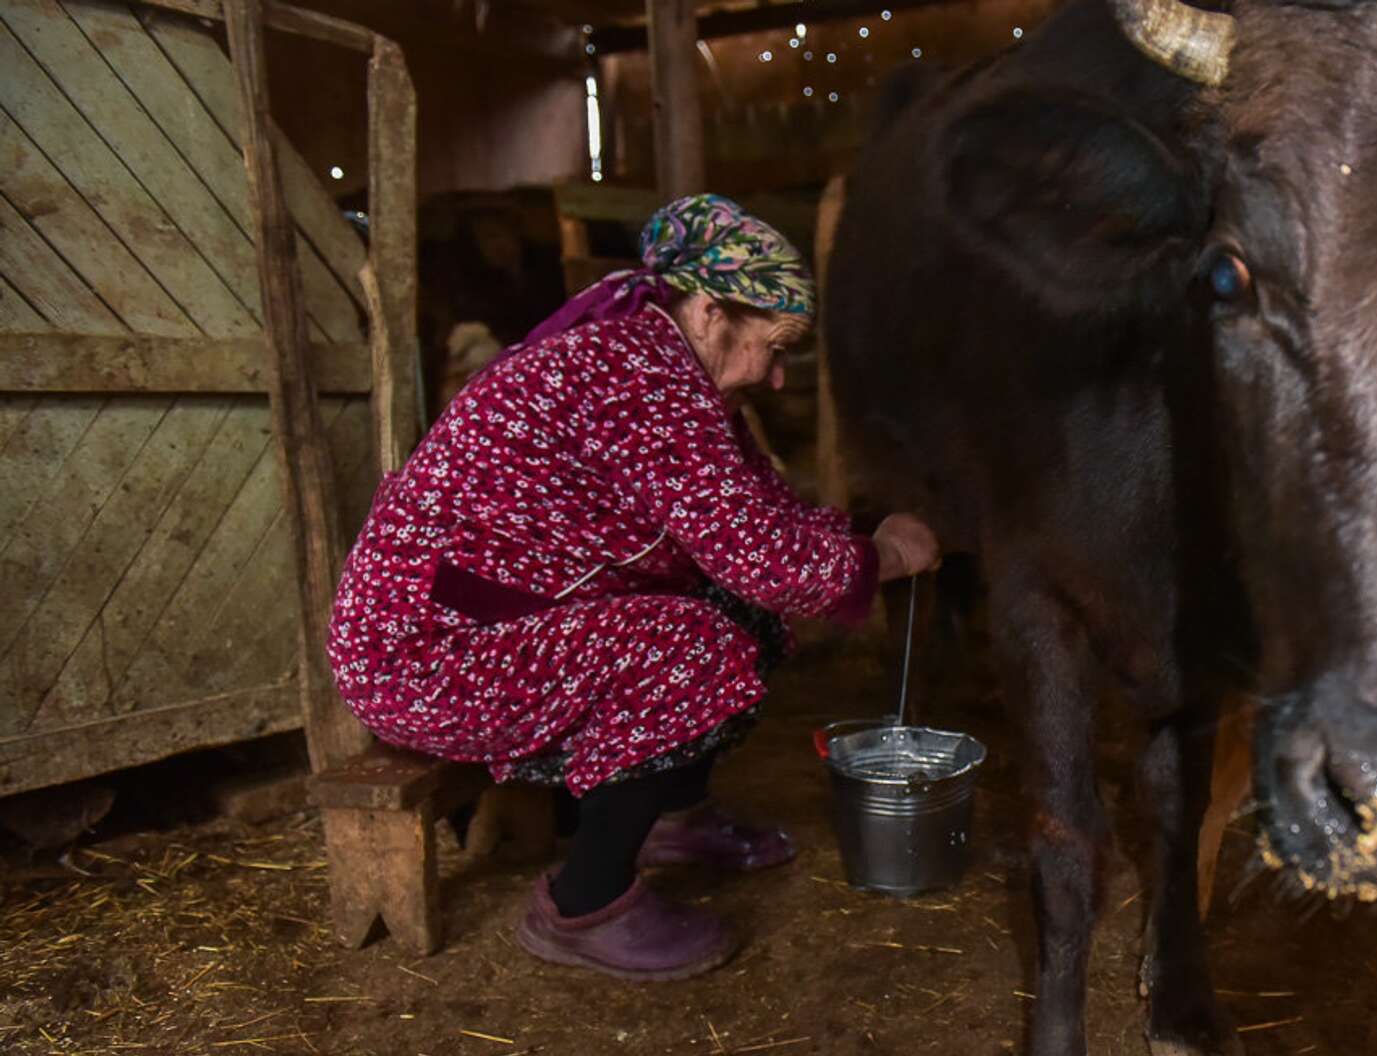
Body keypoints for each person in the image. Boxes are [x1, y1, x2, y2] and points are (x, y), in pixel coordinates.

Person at [327, 194, 939, 981]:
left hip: (491, 624)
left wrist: (859, 532)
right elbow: (772, 563)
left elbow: (764, 513)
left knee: (732, 612)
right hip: (422, 653)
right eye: (772, 346)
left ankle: (670, 820)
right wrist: (883, 555)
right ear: (712, 313)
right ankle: (583, 903)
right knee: (693, 646)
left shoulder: (666, 366)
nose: (777, 377)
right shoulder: (640, 379)